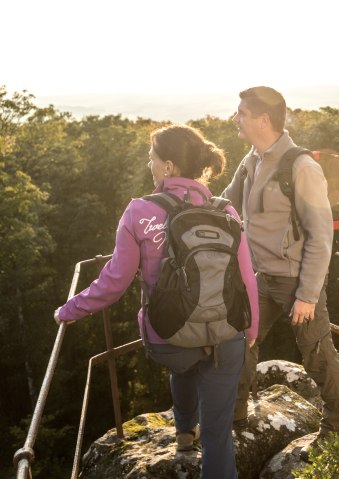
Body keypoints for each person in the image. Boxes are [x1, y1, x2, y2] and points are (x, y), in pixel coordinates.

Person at [54, 124, 259, 479]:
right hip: (227, 338)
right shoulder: (226, 212)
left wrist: (70, 309)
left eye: (152, 158)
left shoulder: (139, 212)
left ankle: (183, 431)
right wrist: (251, 329)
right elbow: (245, 278)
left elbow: (114, 281)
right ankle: (200, 438)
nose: (149, 164)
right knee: (217, 435)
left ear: (168, 167)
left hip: (168, 342)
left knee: (184, 356)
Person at [222, 86, 339, 460]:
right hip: (259, 277)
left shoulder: (302, 167)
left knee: (317, 353)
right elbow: (226, 202)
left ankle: (336, 430)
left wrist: (308, 294)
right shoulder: (252, 159)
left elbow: (321, 235)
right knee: (239, 341)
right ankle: (234, 415)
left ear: (263, 120)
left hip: (296, 281)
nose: (236, 119)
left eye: (242, 113)